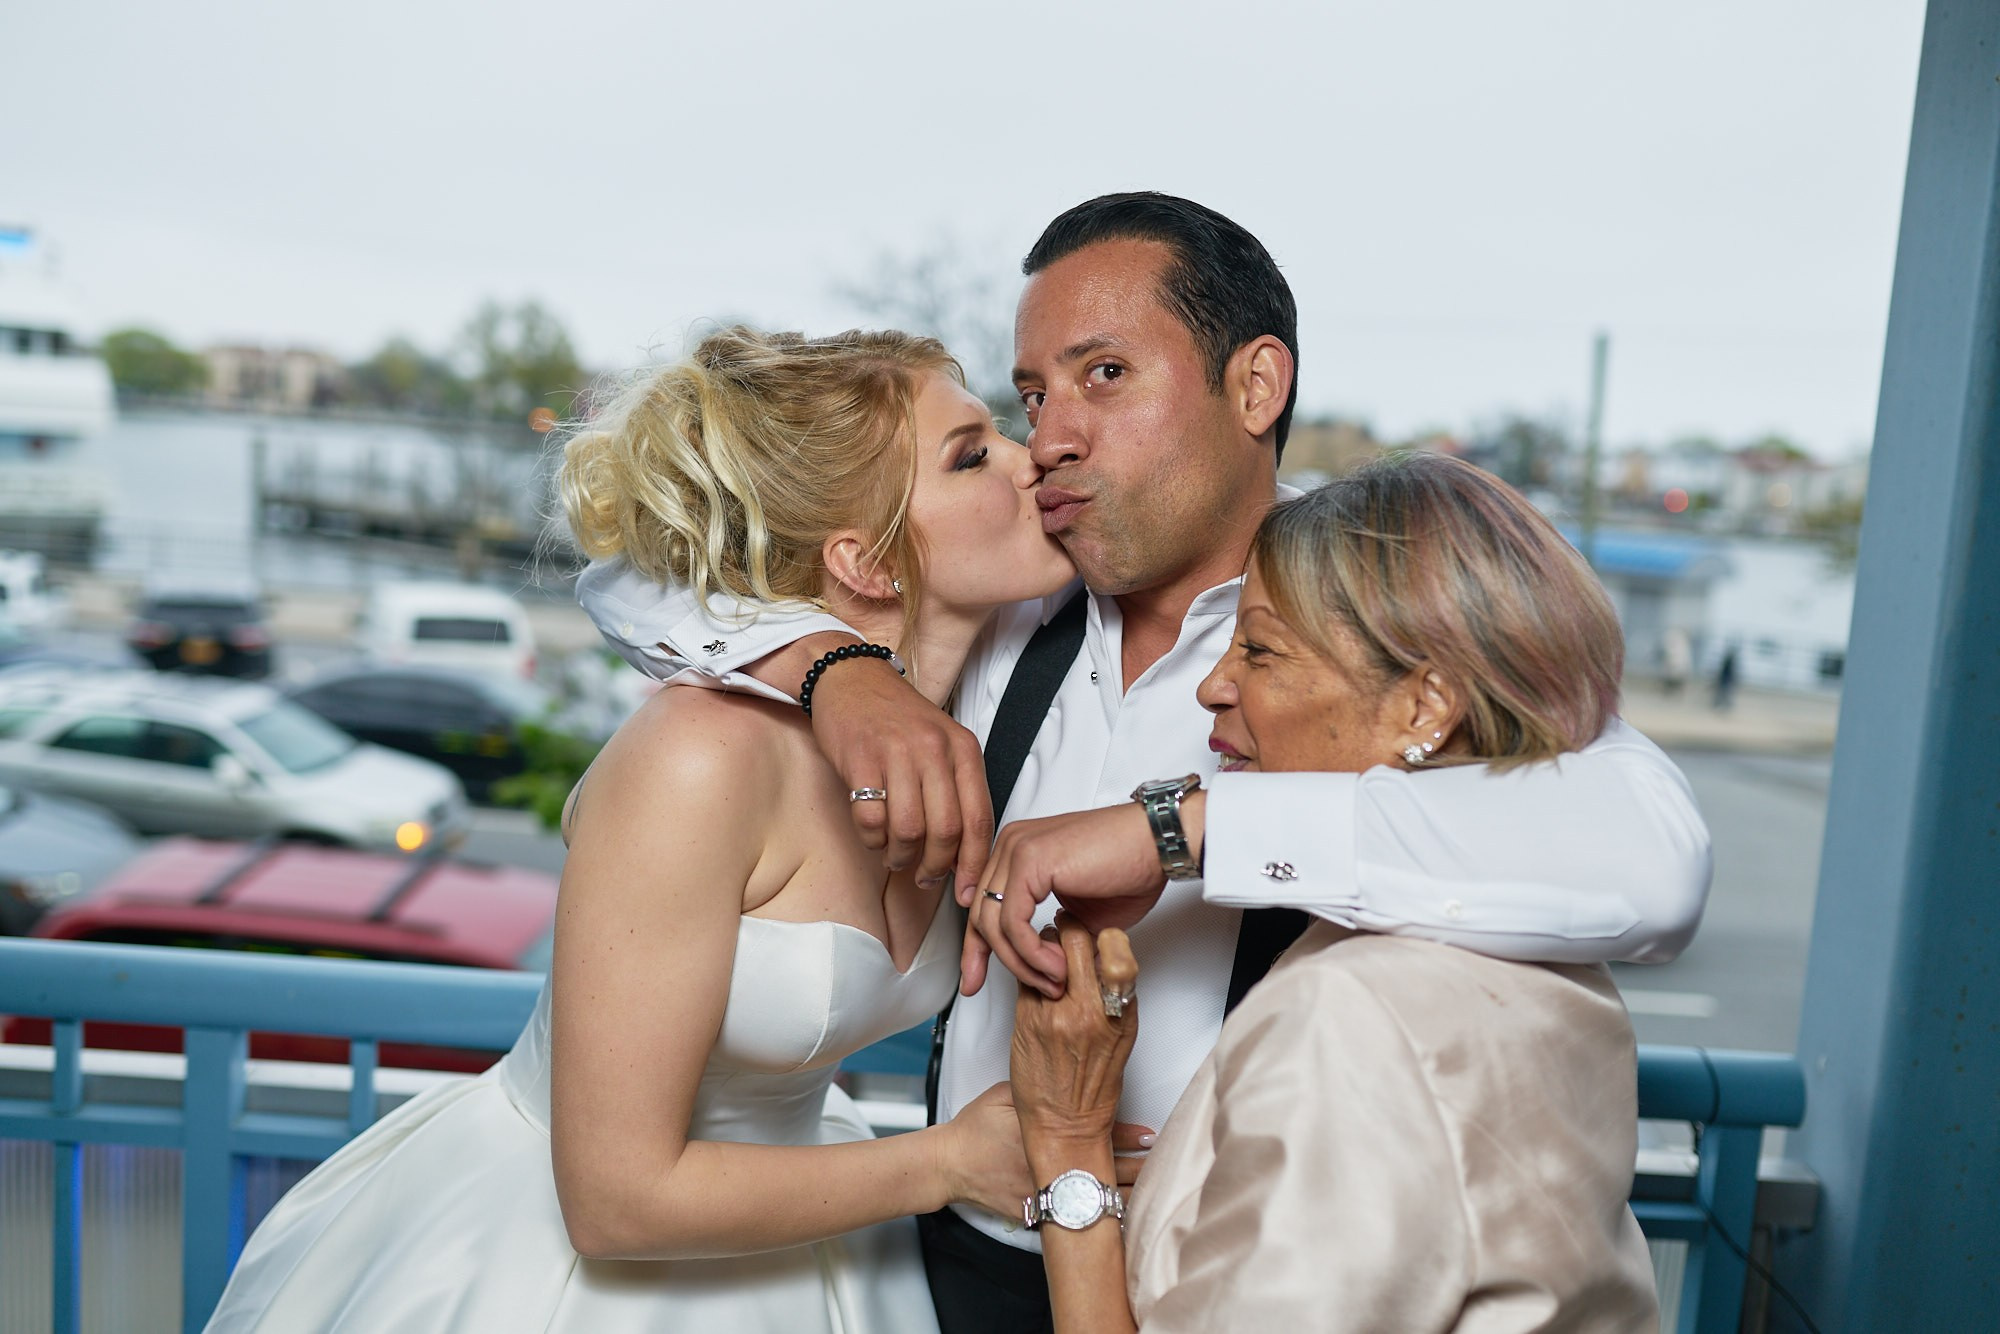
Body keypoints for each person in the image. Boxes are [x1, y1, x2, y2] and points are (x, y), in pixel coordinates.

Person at [578, 192, 1710, 1334]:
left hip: (1221, 1289)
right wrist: (829, 664)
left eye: (1103, 374)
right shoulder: (1006, 602)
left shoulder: (1367, 622)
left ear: (1254, 386)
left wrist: (1176, 828)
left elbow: (1651, 859)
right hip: (938, 1268)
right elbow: (640, 572)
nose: (1050, 435)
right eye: (1031, 395)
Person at [204, 327, 1126, 1333]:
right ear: (861, 560)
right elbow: (611, 1198)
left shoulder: (983, 705)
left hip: (809, 1243)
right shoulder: (699, 757)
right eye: (970, 453)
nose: (1025, 455)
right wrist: (947, 1160)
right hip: (578, 1272)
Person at [1010, 455, 1658, 1332]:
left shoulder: (1346, 1021)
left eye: (1261, 649)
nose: (1214, 683)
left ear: (1425, 707)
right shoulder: (1539, 946)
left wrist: (1068, 1144)